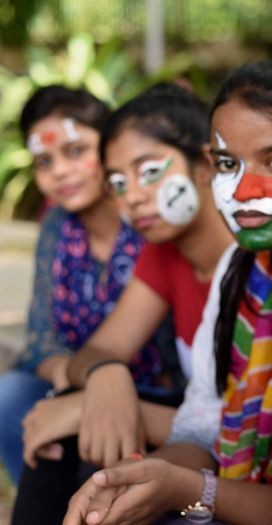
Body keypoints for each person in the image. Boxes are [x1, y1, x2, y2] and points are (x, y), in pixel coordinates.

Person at [63, 60, 272, 525]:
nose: (245, 189)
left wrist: (189, 488)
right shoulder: (241, 272)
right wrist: (139, 477)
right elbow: (204, 430)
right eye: (230, 164)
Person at [11, 83, 232, 524]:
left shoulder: (250, 261)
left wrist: (85, 404)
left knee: (79, 429)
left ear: (207, 162)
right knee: (49, 422)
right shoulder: (162, 250)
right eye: (119, 181)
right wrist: (103, 376)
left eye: (147, 172)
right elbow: (85, 345)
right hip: (180, 425)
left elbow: (240, 432)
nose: (131, 195)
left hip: (218, 444)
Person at [0, 85, 170, 485]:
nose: (59, 170)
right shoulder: (57, 226)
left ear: (111, 149)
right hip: (77, 381)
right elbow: (41, 337)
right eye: (44, 161)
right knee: (9, 397)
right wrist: (89, 381)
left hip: (160, 396)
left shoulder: (150, 214)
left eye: (75, 152)